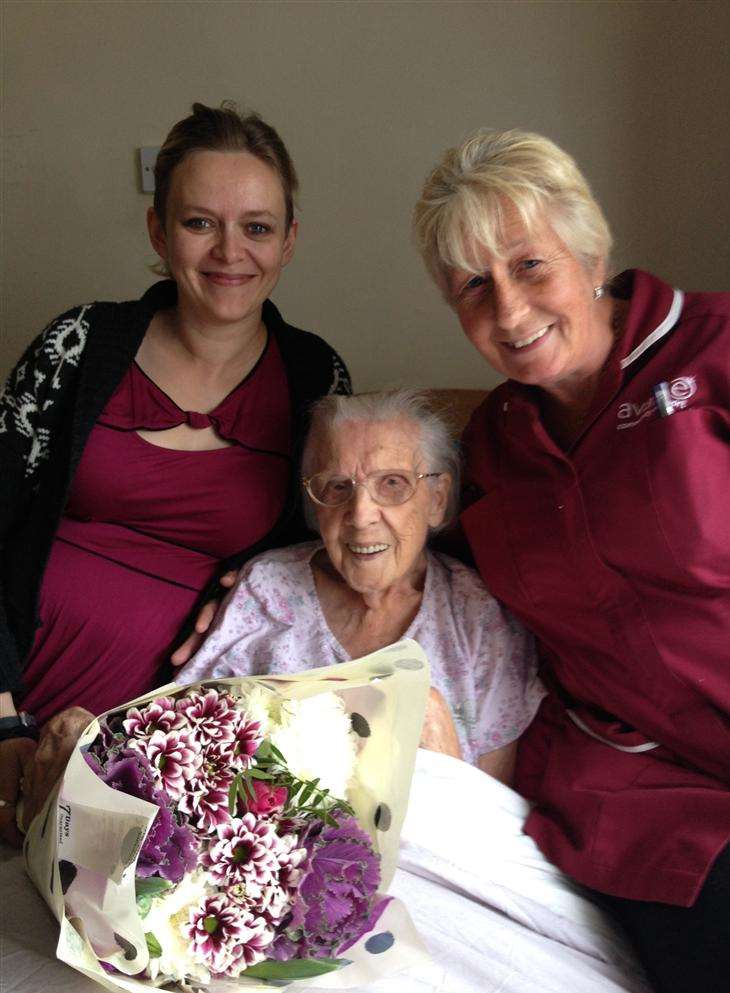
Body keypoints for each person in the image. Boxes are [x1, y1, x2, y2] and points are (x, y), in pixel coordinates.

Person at [413, 128, 730, 992]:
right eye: (473, 287)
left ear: (588, 251)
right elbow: (398, 540)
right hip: (637, 784)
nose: (508, 312)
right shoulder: (491, 447)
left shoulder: (713, 349)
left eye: (529, 265)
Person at [0, 102, 351, 845]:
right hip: (11, 705)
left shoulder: (316, 379)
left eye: (257, 226)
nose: (230, 251)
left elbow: (332, 562)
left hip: (168, 761)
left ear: (289, 241)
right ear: (159, 233)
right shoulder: (80, 344)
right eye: (200, 223)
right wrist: (1, 722)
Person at [178, 390, 544, 776]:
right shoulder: (266, 588)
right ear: (314, 503)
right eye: (337, 486)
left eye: (392, 483)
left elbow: (490, 806)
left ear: (437, 499)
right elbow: (188, 741)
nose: (361, 514)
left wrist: (445, 762)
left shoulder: (478, 616)